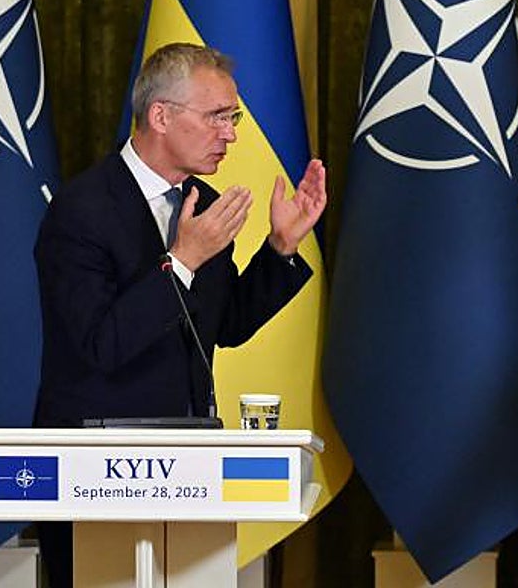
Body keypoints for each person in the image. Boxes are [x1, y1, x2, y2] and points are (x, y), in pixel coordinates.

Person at [32, 42, 325, 588]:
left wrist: (280, 250)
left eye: (232, 118)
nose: (231, 133)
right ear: (161, 116)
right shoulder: (82, 210)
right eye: (218, 116)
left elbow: (223, 324)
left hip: (189, 472)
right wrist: (183, 260)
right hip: (97, 476)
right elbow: (102, 343)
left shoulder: (204, 203)